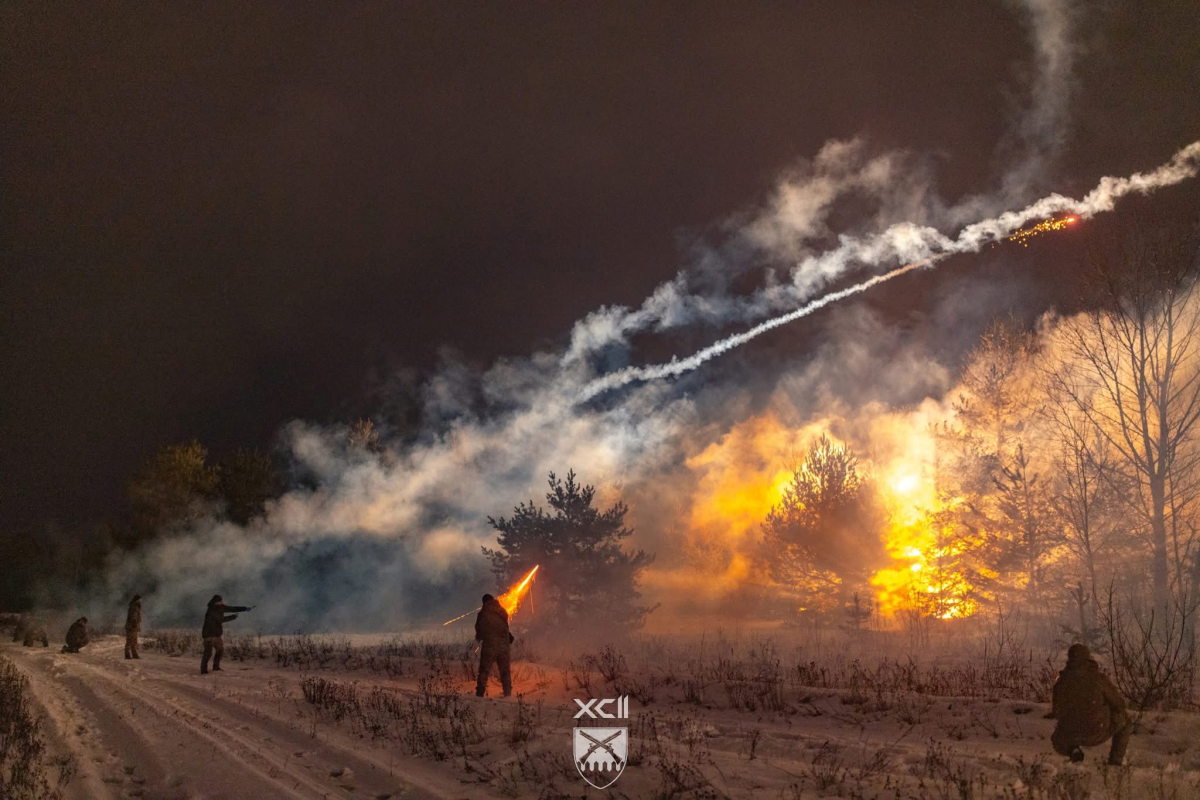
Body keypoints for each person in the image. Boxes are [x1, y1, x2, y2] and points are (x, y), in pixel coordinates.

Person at [1049, 643, 1132, 765]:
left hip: (1069, 735)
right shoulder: (1099, 678)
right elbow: (1119, 704)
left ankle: (1073, 750)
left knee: (1056, 738)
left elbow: (1056, 712)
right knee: (1126, 721)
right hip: (1097, 732)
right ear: (1088, 658)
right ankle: (1115, 761)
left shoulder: (1061, 682)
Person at [474, 593, 514, 697]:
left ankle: (480, 694)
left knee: (484, 671)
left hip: (490, 646)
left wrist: (478, 639)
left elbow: (479, 631)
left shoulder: (483, 613)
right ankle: (508, 694)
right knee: (505, 672)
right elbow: (505, 627)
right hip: (504, 646)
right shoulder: (502, 611)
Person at [200, 595, 252, 675]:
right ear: (215, 602)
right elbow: (220, 620)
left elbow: (232, 608)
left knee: (217, 651)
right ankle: (206, 670)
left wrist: (245, 608)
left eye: (221, 601)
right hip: (211, 635)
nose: (221, 602)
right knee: (211, 652)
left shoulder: (221, 607)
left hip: (213, 634)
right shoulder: (212, 610)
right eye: (219, 601)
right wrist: (233, 617)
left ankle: (212, 668)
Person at [125, 594, 143, 659]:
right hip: (132, 627)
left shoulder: (135, 607)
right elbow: (133, 617)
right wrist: (134, 624)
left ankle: (134, 654)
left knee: (134, 641)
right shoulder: (134, 607)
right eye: (140, 600)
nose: (141, 601)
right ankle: (127, 654)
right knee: (130, 640)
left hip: (133, 626)